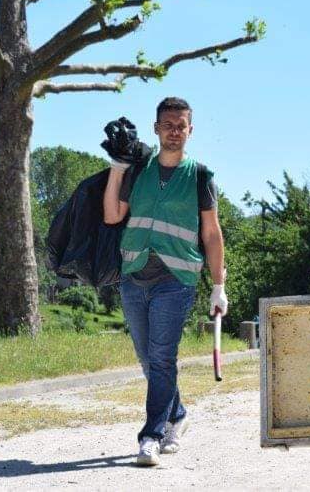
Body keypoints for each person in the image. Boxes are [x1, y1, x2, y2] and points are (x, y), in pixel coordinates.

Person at [103, 97, 228, 466]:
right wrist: (116, 167)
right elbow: (112, 215)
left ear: (190, 130)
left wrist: (218, 286)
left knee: (161, 358)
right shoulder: (138, 172)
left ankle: (151, 436)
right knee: (148, 360)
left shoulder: (201, 176)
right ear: (156, 128)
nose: (175, 131)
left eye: (181, 125)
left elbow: (211, 234)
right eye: (168, 124)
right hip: (134, 274)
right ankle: (178, 414)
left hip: (176, 277)